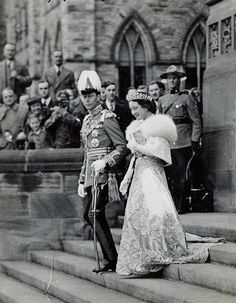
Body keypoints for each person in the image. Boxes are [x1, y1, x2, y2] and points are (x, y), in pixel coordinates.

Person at [116, 91, 223, 277]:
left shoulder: (159, 126)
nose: (133, 113)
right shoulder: (137, 126)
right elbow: (135, 157)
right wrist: (127, 177)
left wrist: (138, 147)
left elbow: (163, 154)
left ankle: (156, 254)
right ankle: (142, 257)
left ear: (146, 106)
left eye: (136, 108)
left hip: (153, 173)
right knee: (138, 213)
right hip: (140, 173)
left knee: (154, 213)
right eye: (131, 109)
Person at [77, 71, 128, 273]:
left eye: (90, 95)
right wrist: (82, 180)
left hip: (106, 175)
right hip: (91, 176)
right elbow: (87, 154)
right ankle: (111, 257)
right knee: (89, 215)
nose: (87, 99)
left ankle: (112, 259)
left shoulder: (108, 118)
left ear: (99, 95)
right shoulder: (86, 121)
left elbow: (122, 147)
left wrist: (106, 162)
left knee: (94, 213)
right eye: (84, 96)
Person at [159, 65, 202, 214]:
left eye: (175, 78)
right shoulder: (162, 99)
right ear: (166, 81)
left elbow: (196, 121)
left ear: (179, 80)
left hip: (184, 142)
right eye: (170, 78)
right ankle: (172, 205)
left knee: (182, 176)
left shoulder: (186, 97)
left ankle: (181, 205)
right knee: (170, 175)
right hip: (168, 143)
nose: (172, 81)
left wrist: (195, 140)